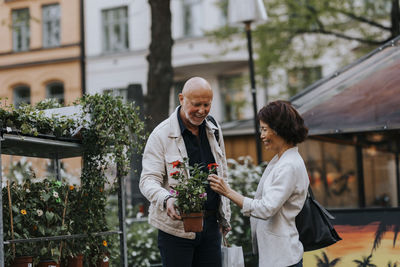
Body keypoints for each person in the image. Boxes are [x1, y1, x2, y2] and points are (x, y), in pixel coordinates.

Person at [139, 77, 231, 267]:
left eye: (207, 104)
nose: (202, 110)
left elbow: (223, 172)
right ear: (181, 99)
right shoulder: (160, 135)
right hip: (175, 231)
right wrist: (166, 199)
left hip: (212, 225)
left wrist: (225, 216)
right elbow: (147, 180)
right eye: (196, 104)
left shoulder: (213, 128)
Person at [208, 100, 309, 267]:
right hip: (278, 255)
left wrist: (228, 192)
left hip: (283, 258)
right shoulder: (281, 160)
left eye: (264, 129)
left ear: (279, 128)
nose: (261, 135)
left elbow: (266, 208)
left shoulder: (289, 165)